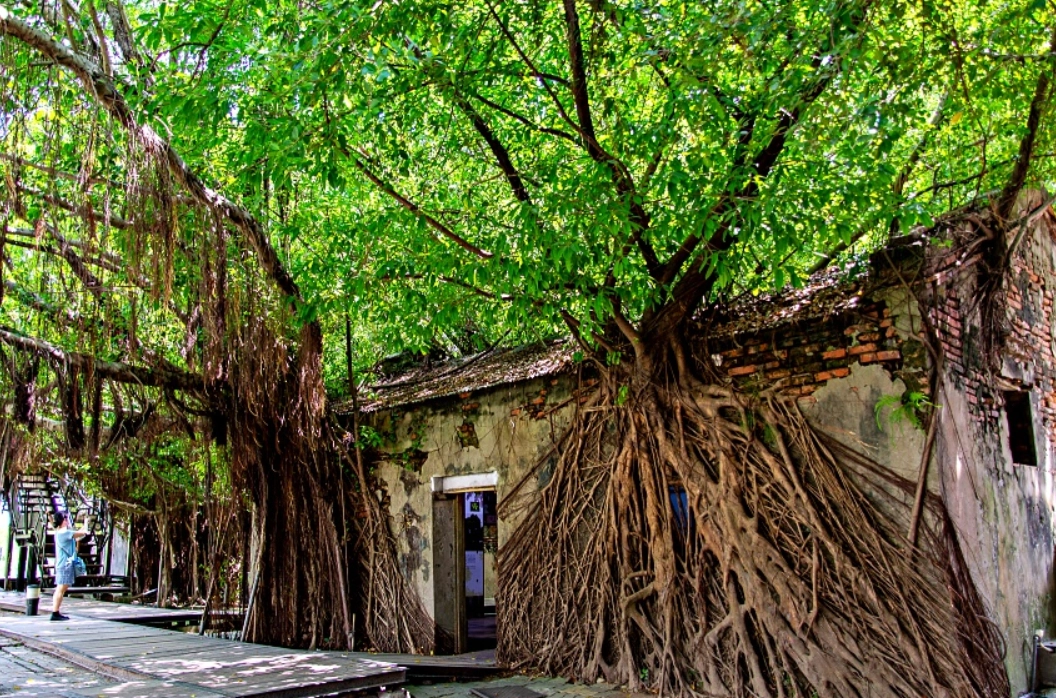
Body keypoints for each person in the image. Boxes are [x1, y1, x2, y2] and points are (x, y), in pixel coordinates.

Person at [49, 512, 87, 621]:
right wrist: (86, 522)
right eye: (65, 519)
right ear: (62, 521)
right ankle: (55, 612)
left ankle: (56, 612)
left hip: (63, 564)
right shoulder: (64, 533)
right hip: (64, 564)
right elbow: (83, 532)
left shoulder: (60, 533)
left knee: (62, 588)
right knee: (60, 589)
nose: (67, 520)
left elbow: (80, 535)